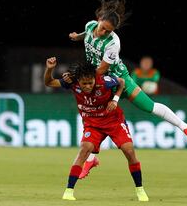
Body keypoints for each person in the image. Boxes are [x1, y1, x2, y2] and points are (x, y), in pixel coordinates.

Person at [68, 0, 187, 178]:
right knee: (92, 116)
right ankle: (91, 160)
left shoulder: (113, 43)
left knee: (149, 106)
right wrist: (78, 36)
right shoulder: (91, 25)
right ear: (98, 19)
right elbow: (88, 33)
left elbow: (101, 70)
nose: (104, 32)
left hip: (115, 78)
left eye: (108, 31)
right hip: (96, 79)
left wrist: (83, 79)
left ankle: (185, 128)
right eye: (103, 27)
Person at [44, 57, 149, 202]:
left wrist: (115, 100)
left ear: (95, 78)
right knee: (84, 150)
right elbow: (49, 82)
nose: (87, 86)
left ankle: (140, 190)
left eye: (90, 82)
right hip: (92, 124)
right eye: (84, 83)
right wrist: (50, 69)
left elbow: (122, 82)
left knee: (129, 151)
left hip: (113, 121)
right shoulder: (72, 82)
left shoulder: (104, 81)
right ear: (78, 81)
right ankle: (69, 191)